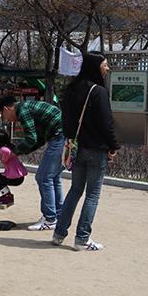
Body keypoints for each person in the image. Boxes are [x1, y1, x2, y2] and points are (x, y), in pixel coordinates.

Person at [54, 51, 119, 251]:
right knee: (92, 194)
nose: (107, 69)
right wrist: (114, 145)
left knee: (74, 191)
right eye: (105, 65)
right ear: (95, 66)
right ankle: (82, 238)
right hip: (96, 149)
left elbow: (65, 121)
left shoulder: (71, 90)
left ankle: (59, 233)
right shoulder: (97, 91)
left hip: (76, 148)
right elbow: (106, 123)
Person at [0, 94, 65, 231]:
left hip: (59, 137)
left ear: (6, 109)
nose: (6, 119)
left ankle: (50, 218)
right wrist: (18, 152)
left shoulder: (23, 110)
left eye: (3, 115)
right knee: (54, 178)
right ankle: (59, 216)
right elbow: (38, 140)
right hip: (64, 136)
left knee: (43, 177)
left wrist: (13, 152)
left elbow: (31, 139)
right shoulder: (27, 108)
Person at [0, 129, 27, 206]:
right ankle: (7, 195)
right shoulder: (9, 147)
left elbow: (6, 153)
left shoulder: (3, 149)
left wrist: (3, 159)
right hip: (18, 177)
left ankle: (7, 196)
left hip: (16, 178)